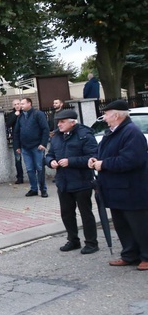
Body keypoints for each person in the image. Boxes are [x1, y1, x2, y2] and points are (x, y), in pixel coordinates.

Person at [88, 100, 148, 270]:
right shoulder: (112, 132)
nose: (104, 117)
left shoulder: (131, 132)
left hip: (132, 189)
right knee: (122, 224)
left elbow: (132, 160)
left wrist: (104, 164)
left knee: (139, 225)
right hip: (115, 189)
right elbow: (102, 152)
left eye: (106, 114)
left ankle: (146, 256)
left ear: (115, 115)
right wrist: (95, 159)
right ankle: (129, 254)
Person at [45, 110, 99, 254]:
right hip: (63, 182)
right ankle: (73, 240)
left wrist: (71, 161)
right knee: (67, 213)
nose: (59, 124)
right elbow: (49, 154)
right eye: (58, 122)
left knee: (85, 213)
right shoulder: (57, 136)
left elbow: (93, 156)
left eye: (62, 122)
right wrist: (51, 162)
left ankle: (91, 243)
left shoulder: (84, 135)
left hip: (81, 180)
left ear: (72, 122)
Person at [13, 98, 49, 198]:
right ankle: (33, 189)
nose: (21, 105)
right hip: (25, 147)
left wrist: (43, 143)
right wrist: (17, 146)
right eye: (20, 104)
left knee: (40, 168)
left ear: (29, 104)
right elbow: (16, 132)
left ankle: (43, 189)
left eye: (23, 103)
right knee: (29, 169)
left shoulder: (38, 114)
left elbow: (45, 129)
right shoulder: (20, 117)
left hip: (37, 146)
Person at [5, 99, 25, 184]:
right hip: (16, 139)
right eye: (15, 104)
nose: (17, 106)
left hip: (26, 139)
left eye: (18, 104)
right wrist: (14, 116)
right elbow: (8, 124)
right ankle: (20, 177)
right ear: (13, 106)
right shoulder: (11, 114)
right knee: (18, 159)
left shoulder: (25, 113)